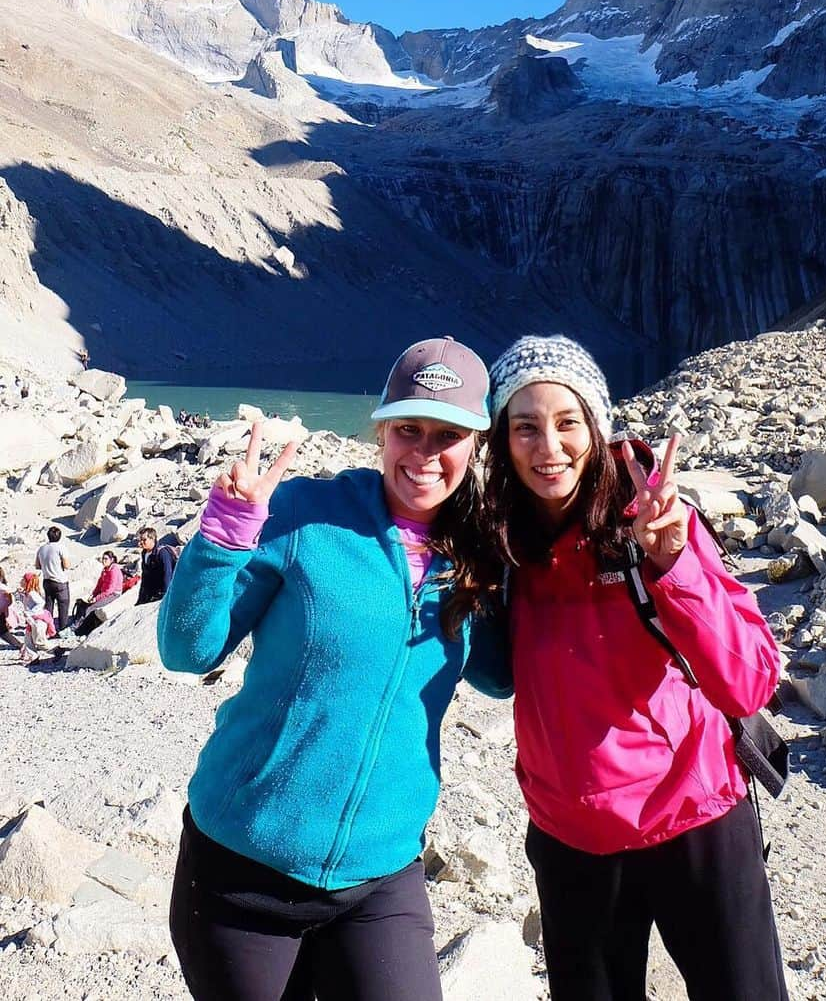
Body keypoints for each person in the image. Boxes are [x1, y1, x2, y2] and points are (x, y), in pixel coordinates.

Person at [158, 337, 509, 1001]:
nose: (425, 453)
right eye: (409, 428)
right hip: (242, 868)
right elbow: (188, 651)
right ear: (381, 429)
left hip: (381, 877)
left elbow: (496, 677)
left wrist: (515, 575)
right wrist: (226, 532)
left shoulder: (477, 551)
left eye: (449, 434)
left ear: (477, 443)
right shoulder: (301, 517)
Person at [483, 335, 787, 1001]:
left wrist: (675, 565)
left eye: (568, 424)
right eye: (525, 427)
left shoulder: (652, 518)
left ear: (596, 427)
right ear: (501, 440)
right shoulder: (499, 537)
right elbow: (493, 673)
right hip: (572, 836)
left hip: (695, 816)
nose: (548, 447)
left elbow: (749, 681)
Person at [70, 550, 123, 636]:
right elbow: (99, 583)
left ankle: (80, 628)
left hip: (113, 594)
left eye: (106, 559)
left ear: (112, 560)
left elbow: (110, 590)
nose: (103, 561)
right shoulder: (105, 569)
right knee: (82, 603)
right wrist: (93, 594)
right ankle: (77, 622)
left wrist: (97, 598)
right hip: (105, 592)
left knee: (91, 607)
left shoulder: (114, 571)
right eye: (103, 558)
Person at [36, 525, 72, 631]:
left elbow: (37, 566)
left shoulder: (41, 549)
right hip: (60, 580)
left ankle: (47, 628)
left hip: (47, 580)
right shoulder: (61, 547)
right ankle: (63, 628)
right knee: (63, 605)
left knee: (48, 606)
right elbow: (66, 565)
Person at [1, 566, 38, 663]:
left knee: (3, 633)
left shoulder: (2, 587)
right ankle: (23, 648)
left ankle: (24, 648)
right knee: (3, 633)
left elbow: (10, 591)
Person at [134, 526, 174, 605]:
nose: (141, 542)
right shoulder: (144, 553)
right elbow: (145, 577)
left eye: (144, 540)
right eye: (140, 540)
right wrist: (141, 598)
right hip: (152, 592)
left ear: (152, 539)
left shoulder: (162, 553)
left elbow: (167, 573)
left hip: (164, 592)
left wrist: (165, 595)